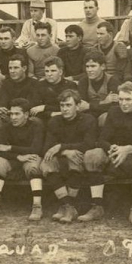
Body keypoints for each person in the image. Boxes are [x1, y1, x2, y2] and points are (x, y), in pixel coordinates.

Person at [85, 82, 132, 225]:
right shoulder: (114, 112)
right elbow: (102, 139)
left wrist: (129, 149)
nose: (123, 103)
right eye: (121, 99)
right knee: (93, 155)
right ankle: (97, 206)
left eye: (128, 99)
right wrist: (113, 148)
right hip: (116, 156)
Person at [41, 89, 101, 222]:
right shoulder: (54, 121)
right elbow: (46, 148)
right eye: (62, 106)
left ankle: (67, 206)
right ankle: (68, 205)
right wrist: (65, 151)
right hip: (63, 156)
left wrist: (61, 147)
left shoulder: (88, 119)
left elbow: (89, 144)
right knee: (46, 163)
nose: (65, 109)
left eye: (68, 105)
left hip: (80, 158)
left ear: (78, 106)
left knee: (76, 158)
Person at [0, 98, 45, 221]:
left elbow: (36, 149)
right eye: (11, 114)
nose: (13, 117)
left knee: (33, 165)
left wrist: (10, 147)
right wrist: (17, 156)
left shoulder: (36, 126)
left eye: (17, 114)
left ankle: (37, 206)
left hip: (29, 157)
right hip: (15, 158)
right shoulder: (6, 127)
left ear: (26, 115)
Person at [77, 50, 121, 126]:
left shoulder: (113, 81)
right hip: (89, 115)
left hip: (105, 116)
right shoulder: (83, 81)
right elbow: (81, 106)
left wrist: (90, 106)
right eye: (87, 66)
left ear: (103, 66)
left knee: (105, 118)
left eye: (93, 66)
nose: (89, 70)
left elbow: (114, 107)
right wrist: (104, 102)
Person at [30, 57, 77, 122]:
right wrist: (51, 114)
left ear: (60, 72)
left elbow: (72, 107)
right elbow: (34, 109)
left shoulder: (70, 85)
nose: (49, 74)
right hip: (45, 118)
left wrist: (45, 107)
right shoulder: (39, 85)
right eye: (47, 71)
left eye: (53, 71)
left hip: (65, 118)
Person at [0, 54, 40, 121]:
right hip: (9, 116)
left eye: (16, 68)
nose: (12, 71)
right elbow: (3, 103)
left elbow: (31, 106)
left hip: (26, 117)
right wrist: (1, 109)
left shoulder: (34, 83)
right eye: (10, 68)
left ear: (24, 68)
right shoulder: (6, 83)